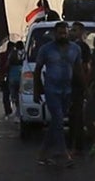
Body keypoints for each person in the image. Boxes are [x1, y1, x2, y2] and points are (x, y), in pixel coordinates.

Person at [34, 24, 85, 165]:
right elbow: (37, 70)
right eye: (60, 33)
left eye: (65, 33)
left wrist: (85, 88)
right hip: (51, 90)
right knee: (58, 119)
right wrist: (36, 90)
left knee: (57, 121)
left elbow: (79, 70)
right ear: (54, 34)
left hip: (67, 91)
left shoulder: (76, 49)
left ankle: (42, 153)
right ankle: (63, 153)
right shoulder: (46, 49)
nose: (63, 36)